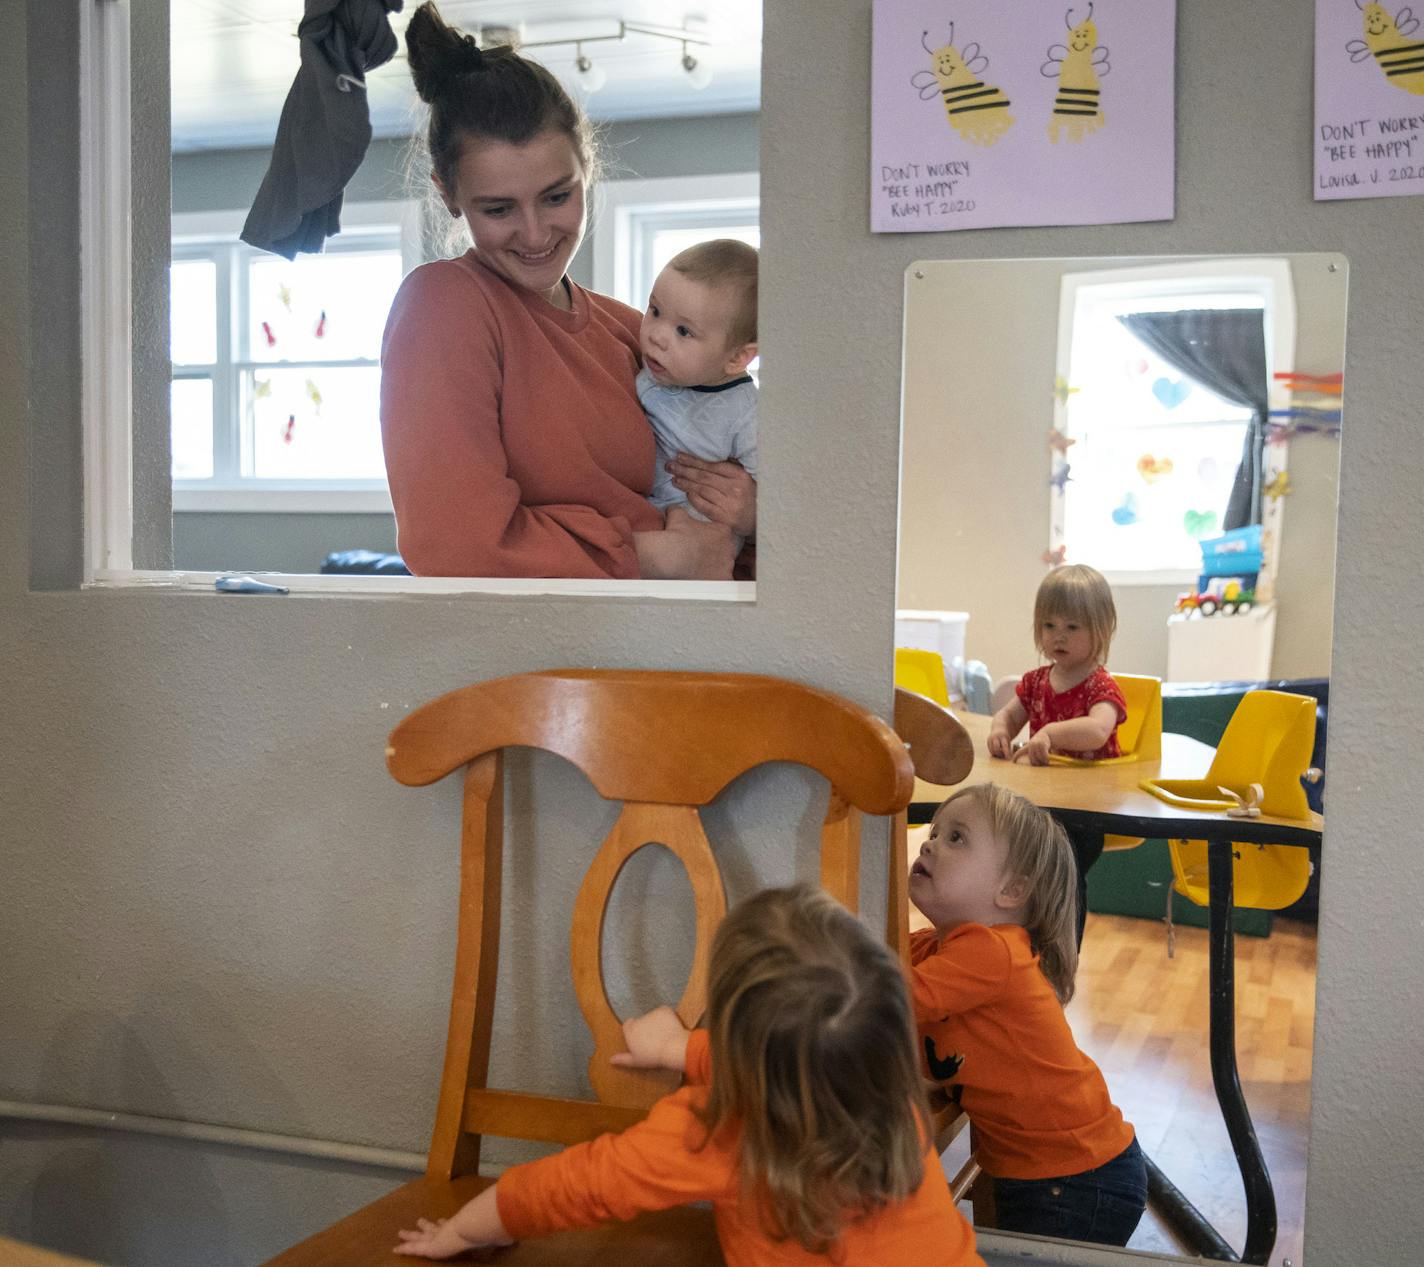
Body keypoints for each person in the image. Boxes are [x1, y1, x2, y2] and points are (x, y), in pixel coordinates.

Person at [393, 884, 986, 1265]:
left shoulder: (715, 1132)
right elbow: (800, 1063)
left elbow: (575, 1185)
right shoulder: (892, 1103)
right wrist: (683, 1051)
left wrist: (467, 1231)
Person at [380, 2, 755, 580]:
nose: (535, 234)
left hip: (666, 644)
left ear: (587, 169)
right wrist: (654, 555)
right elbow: (453, 544)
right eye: (499, 208)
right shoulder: (446, 306)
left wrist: (752, 512)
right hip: (548, 658)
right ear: (449, 195)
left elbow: (723, 493)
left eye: (558, 197)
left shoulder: (630, 330)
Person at [907, 784, 1146, 1247]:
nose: (930, 842)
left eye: (956, 838)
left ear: (1013, 889)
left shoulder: (992, 951)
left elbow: (891, 996)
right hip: (1051, 1173)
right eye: (935, 831)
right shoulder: (934, 948)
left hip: (1076, 1179)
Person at [638, 239, 759, 556]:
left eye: (683, 331)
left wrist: (754, 517)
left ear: (737, 358)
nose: (657, 335)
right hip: (642, 528)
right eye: (655, 310)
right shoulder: (651, 366)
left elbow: (778, 492)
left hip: (703, 546)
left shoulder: (747, 414)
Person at [987, 564, 1128, 766]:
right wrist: (1000, 730)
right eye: (1049, 625)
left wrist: (1050, 734)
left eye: (1072, 627)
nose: (1058, 637)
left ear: (1101, 630)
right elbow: (1009, 715)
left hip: (1094, 789)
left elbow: (1098, 730)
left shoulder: (1101, 686)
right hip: (1046, 785)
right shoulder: (1035, 683)